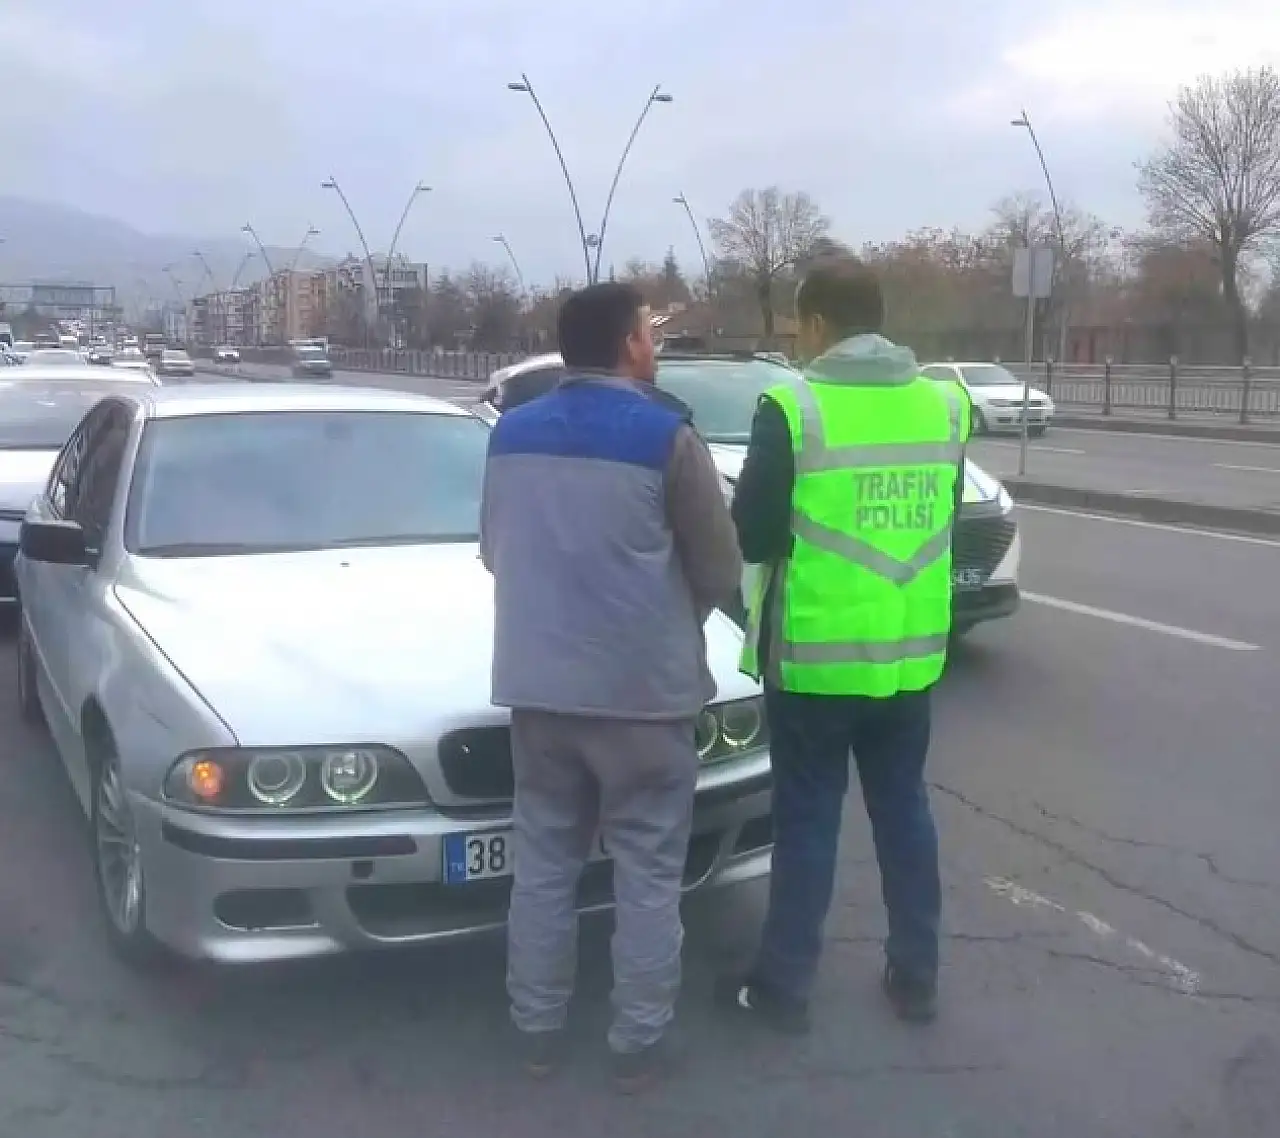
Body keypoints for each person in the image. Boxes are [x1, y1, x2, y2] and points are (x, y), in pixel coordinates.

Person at [480, 281, 742, 1091]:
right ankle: (637, 1044)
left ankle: (536, 1033)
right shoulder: (667, 434)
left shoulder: (510, 434)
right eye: (648, 333)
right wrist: (667, 616)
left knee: (545, 869)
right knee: (649, 874)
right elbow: (720, 566)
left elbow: (495, 549)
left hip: (540, 693)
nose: (653, 346)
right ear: (630, 344)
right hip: (643, 700)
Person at [717, 255, 969, 1032]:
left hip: (817, 661)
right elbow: (944, 511)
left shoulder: (794, 408)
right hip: (909, 656)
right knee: (905, 813)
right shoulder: (946, 406)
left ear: (819, 323)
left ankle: (784, 987)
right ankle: (916, 976)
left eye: (800, 324)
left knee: (808, 824)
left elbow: (753, 532)